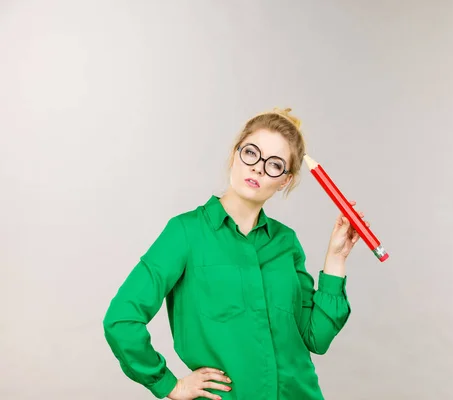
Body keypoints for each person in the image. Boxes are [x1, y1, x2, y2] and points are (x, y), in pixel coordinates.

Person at [103, 107, 369, 400]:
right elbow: (120, 320)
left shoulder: (286, 242)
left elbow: (316, 338)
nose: (258, 167)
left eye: (275, 164)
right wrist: (169, 384)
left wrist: (336, 258)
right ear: (235, 154)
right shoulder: (185, 233)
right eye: (251, 153)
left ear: (285, 180)